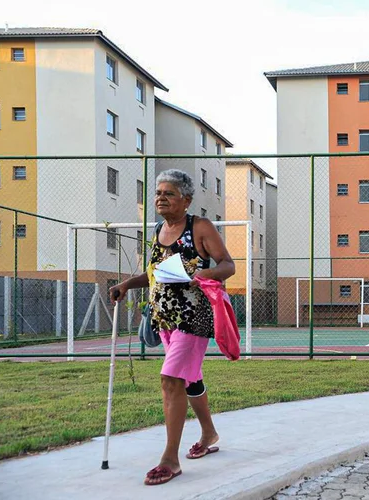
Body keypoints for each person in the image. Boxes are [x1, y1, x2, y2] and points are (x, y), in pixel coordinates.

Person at [109, 169, 235, 486]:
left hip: (195, 315)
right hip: (165, 317)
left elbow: (228, 265)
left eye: (169, 193)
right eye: (158, 193)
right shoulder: (158, 229)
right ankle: (209, 433)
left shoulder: (200, 227)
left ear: (186, 199)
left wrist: (203, 276)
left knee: (170, 379)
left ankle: (170, 459)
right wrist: (127, 284)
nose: (161, 198)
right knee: (189, 378)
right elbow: (155, 273)